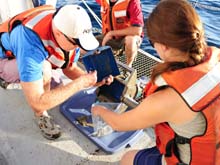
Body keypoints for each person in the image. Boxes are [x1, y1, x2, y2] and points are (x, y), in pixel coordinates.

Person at [92, 0, 220, 164]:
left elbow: (118, 124)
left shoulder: (168, 98)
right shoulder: (215, 58)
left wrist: (98, 111)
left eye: (152, 42)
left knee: (127, 159)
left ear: (164, 47)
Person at [0, 4, 113, 140]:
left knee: (57, 87)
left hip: (26, 53)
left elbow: (69, 67)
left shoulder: (66, 27)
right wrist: (79, 84)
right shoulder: (29, 40)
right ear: (59, 34)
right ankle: (41, 115)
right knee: (45, 71)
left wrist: (93, 80)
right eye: (76, 44)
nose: (78, 48)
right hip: (5, 59)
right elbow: (37, 101)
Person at [95, 0, 144, 68]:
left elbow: (137, 30)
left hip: (126, 39)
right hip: (108, 38)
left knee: (130, 40)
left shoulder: (133, 2)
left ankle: (128, 67)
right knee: (84, 50)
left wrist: (111, 33)